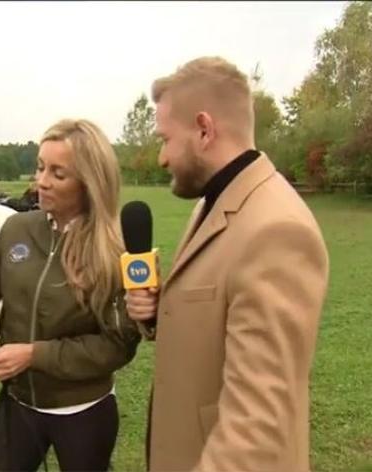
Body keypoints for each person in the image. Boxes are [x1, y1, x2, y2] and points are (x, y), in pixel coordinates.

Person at [125, 57, 330, 471]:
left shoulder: (276, 230)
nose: (162, 158)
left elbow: (259, 425)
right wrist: (159, 310)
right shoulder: (213, 202)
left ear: (204, 129)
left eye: (165, 139)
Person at [0, 118, 141, 472]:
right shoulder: (17, 229)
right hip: (19, 404)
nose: (41, 182)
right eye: (40, 167)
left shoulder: (114, 252)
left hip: (82, 411)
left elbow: (116, 347)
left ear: (89, 183)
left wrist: (34, 355)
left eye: (57, 174)